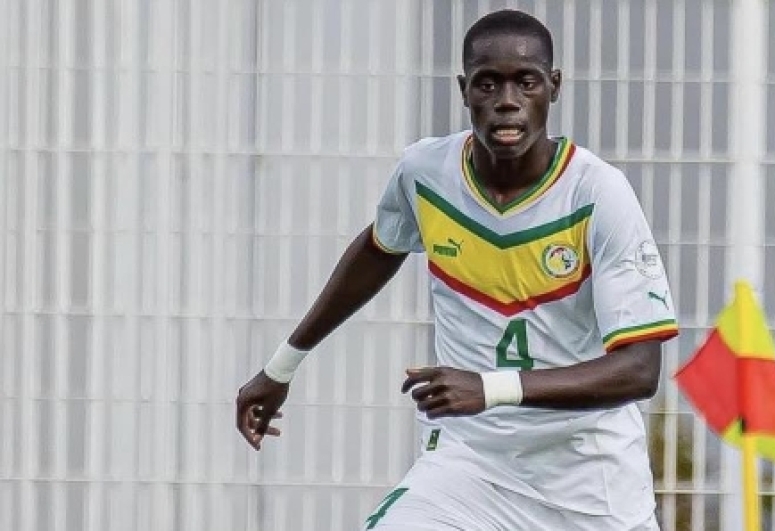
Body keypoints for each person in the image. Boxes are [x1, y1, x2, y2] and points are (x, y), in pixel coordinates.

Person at [236, 9, 679, 531]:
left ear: (554, 87)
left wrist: (490, 388)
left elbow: (639, 369)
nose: (507, 100)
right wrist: (282, 366)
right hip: (470, 466)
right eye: (488, 84)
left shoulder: (597, 193)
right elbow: (380, 247)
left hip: (590, 481)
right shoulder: (426, 174)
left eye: (527, 82)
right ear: (464, 90)